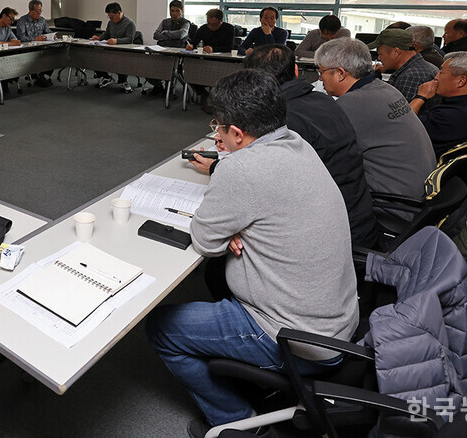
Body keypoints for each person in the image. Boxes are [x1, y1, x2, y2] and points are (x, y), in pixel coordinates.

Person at [146, 69, 358, 438]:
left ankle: (236, 421)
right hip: (337, 320)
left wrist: (229, 222)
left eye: (220, 127)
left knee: (161, 328)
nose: (216, 135)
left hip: (294, 336)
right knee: (216, 279)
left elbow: (206, 241)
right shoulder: (295, 141)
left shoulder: (241, 169)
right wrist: (239, 225)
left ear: (238, 134)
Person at [240, 45, 377, 248]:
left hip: (330, 232)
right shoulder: (324, 100)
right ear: (295, 71)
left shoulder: (284, 119)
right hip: (358, 214)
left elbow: (265, 186)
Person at [314, 38, 436, 229]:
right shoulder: (387, 89)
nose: (320, 79)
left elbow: (321, 154)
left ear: (340, 73)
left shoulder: (350, 105)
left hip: (394, 209)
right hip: (421, 197)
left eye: (321, 72)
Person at [411, 52, 467, 156]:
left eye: (441, 72)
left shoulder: (450, 116)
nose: (436, 77)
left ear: (461, 81)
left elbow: (402, 130)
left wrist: (420, 97)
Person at [370, 28, 439, 101]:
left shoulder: (410, 76)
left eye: (380, 54)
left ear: (396, 52)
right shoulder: (421, 67)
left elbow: (399, 111)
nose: (379, 58)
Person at [145, 0, 191, 95]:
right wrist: (173, 36)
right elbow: (156, 35)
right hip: (161, 50)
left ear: (182, 11)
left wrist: (166, 33)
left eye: (177, 10)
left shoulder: (186, 22)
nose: (174, 13)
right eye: (172, 10)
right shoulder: (165, 22)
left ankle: (170, 87)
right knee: (147, 65)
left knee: (168, 66)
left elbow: (181, 34)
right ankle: (158, 86)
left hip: (176, 52)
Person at [91, 2, 138, 93]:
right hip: (110, 48)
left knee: (120, 59)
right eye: (109, 17)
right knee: (94, 55)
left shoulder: (130, 23)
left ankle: (123, 81)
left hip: (123, 51)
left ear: (119, 13)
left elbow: (129, 39)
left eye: (112, 17)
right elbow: (107, 34)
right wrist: (99, 38)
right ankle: (106, 77)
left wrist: (116, 41)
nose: (111, 19)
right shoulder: (111, 23)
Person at [16, 0, 55, 87]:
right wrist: (34, 39)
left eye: (40, 10)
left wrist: (52, 35)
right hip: (28, 48)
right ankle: (38, 76)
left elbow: (48, 31)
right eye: (37, 11)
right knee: (38, 56)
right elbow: (20, 37)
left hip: (41, 47)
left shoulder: (42, 20)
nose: (39, 13)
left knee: (54, 53)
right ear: (30, 10)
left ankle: (42, 75)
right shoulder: (22, 21)